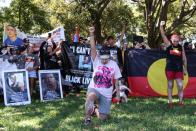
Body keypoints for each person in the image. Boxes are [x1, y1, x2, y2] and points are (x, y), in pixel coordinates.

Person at [84, 27, 122, 125]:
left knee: (103, 119)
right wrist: (91, 34)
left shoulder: (114, 64)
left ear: (109, 56)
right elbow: (93, 47)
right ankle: (87, 119)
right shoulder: (96, 60)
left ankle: (95, 109)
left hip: (107, 94)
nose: (104, 61)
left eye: (106, 58)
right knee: (90, 97)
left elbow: (117, 81)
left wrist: (118, 94)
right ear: (99, 56)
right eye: (102, 58)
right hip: (95, 88)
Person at [160, 21, 187, 108]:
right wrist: (161, 26)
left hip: (179, 69)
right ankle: (170, 102)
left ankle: (181, 102)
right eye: (174, 41)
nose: (176, 42)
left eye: (177, 40)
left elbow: (184, 58)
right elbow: (163, 35)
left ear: (179, 40)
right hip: (169, 68)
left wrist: (185, 68)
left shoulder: (180, 47)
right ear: (171, 40)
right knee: (170, 85)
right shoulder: (168, 45)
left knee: (180, 85)